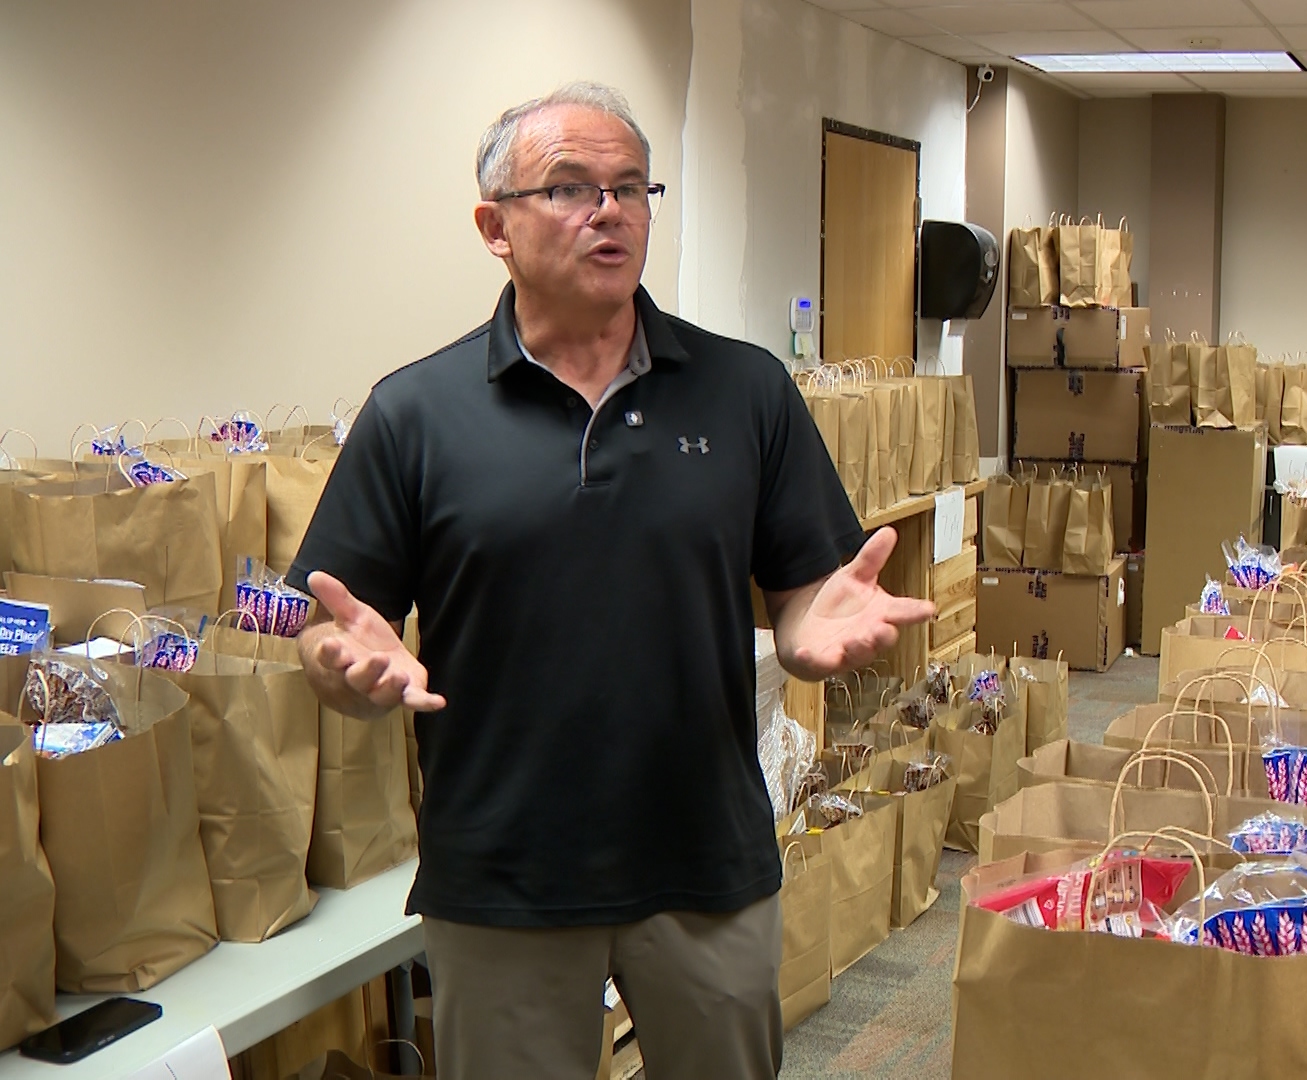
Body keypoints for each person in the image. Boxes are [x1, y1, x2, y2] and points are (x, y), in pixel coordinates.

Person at [289, 81, 934, 1080]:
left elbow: (805, 585)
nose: (611, 209)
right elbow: (334, 633)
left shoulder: (745, 388)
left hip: (704, 865)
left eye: (632, 186)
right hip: (503, 876)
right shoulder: (415, 413)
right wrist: (343, 667)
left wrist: (807, 628)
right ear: (492, 226)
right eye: (572, 187)